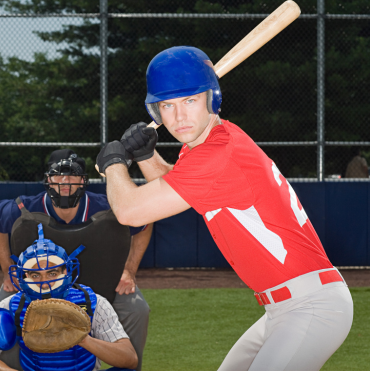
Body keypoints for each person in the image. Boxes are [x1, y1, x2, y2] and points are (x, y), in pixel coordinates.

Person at [95, 46, 353, 371]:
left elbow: (131, 212)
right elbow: (176, 189)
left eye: (189, 100)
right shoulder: (215, 144)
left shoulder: (217, 154)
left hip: (312, 305)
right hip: (283, 309)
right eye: (167, 105)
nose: (178, 117)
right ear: (156, 111)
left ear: (211, 98)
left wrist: (113, 163)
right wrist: (147, 156)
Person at [0, 149, 152, 371]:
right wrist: (7, 269)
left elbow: (145, 223)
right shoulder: (23, 208)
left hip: (99, 280)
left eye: (72, 175)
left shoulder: (108, 206)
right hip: (35, 281)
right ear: (48, 179)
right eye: (58, 175)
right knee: (5, 309)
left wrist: (129, 270)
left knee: (138, 309)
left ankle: (127, 366)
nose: (64, 181)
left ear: (83, 180)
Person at [0, 223, 138, 371]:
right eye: (35, 275)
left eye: (52, 273)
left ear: (65, 272)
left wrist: (84, 339)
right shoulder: (11, 306)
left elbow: (130, 359)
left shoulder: (92, 302)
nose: (44, 284)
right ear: (25, 276)